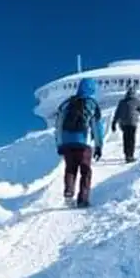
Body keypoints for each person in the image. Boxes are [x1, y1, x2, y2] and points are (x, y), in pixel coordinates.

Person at [54, 77, 104, 207]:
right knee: (85, 171)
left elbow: (58, 125)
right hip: (84, 143)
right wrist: (98, 146)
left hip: (67, 143)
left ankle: (69, 192)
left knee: (70, 168)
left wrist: (59, 144)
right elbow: (96, 127)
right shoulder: (92, 104)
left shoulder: (66, 104)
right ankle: (83, 199)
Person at [111, 85, 140, 162]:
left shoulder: (122, 102)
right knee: (131, 139)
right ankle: (130, 155)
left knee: (126, 139)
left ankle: (127, 155)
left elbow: (117, 113)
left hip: (124, 123)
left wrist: (114, 123)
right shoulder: (137, 101)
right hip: (132, 123)